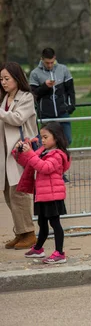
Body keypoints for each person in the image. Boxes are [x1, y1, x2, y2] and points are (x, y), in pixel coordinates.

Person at [13, 122, 71, 264]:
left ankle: (60, 253)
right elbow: (28, 162)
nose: (42, 140)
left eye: (45, 137)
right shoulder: (42, 151)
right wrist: (19, 151)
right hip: (42, 194)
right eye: (41, 137)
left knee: (55, 223)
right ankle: (38, 249)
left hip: (52, 195)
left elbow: (44, 167)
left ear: (56, 138)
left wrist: (31, 153)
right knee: (42, 222)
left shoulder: (57, 155)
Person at [0, 62, 37, 250]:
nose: (3, 82)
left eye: (7, 78)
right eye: (1, 79)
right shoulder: (5, 97)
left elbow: (17, 118)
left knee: (19, 192)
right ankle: (20, 232)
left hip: (20, 152)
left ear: (16, 78)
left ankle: (29, 233)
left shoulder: (27, 97)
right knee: (8, 192)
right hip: (5, 152)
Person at [29, 48, 76, 144]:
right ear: (41, 59)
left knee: (67, 140)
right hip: (45, 114)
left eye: (52, 62)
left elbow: (70, 90)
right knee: (46, 143)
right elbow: (33, 95)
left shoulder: (63, 69)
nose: (50, 65)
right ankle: (49, 158)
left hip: (62, 112)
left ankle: (61, 158)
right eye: (47, 63)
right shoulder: (35, 73)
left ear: (55, 58)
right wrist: (45, 86)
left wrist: (71, 105)